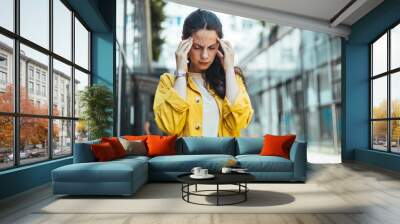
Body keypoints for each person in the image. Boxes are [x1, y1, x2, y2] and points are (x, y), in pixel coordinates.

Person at [153, 9, 253, 137]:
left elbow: (240, 122)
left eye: (211, 48)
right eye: (197, 47)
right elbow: (171, 126)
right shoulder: (168, 82)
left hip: (225, 157)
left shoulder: (232, 80)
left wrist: (229, 70)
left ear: (219, 45)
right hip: (188, 157)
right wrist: (181, 72)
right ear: (184, 42)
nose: (205, 55)